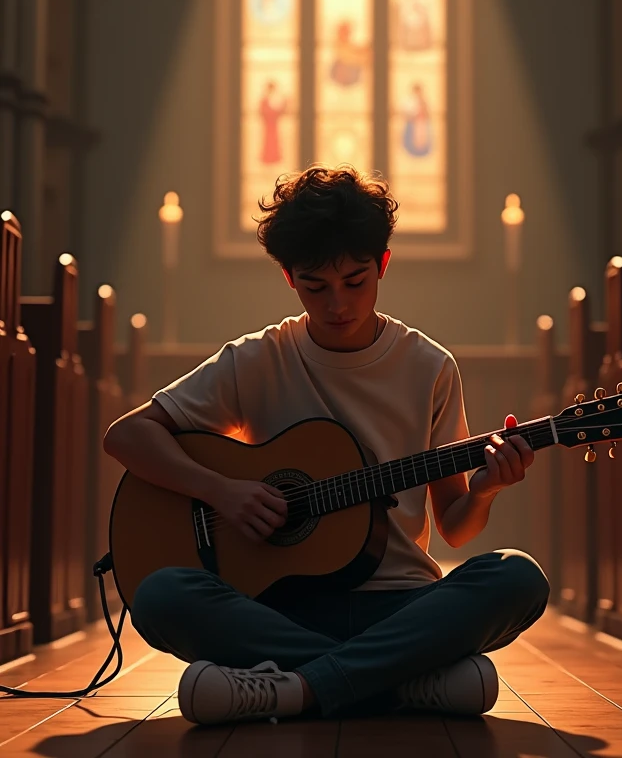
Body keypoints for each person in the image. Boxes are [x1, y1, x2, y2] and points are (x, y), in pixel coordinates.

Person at [103, 165, 549, 726]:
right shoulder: (257, 358)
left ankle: (291, 689)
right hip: (280, 606)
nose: (337, 304)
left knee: (517, 576)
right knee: (162, 593)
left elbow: (454, 526)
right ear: (290, 278)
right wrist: (221, 490)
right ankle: (403, 683)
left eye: (355, 281)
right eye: (316, 286)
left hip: (400, 605)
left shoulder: (429, 367)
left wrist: (485, 492)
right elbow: (126, 435)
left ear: (382, 264)